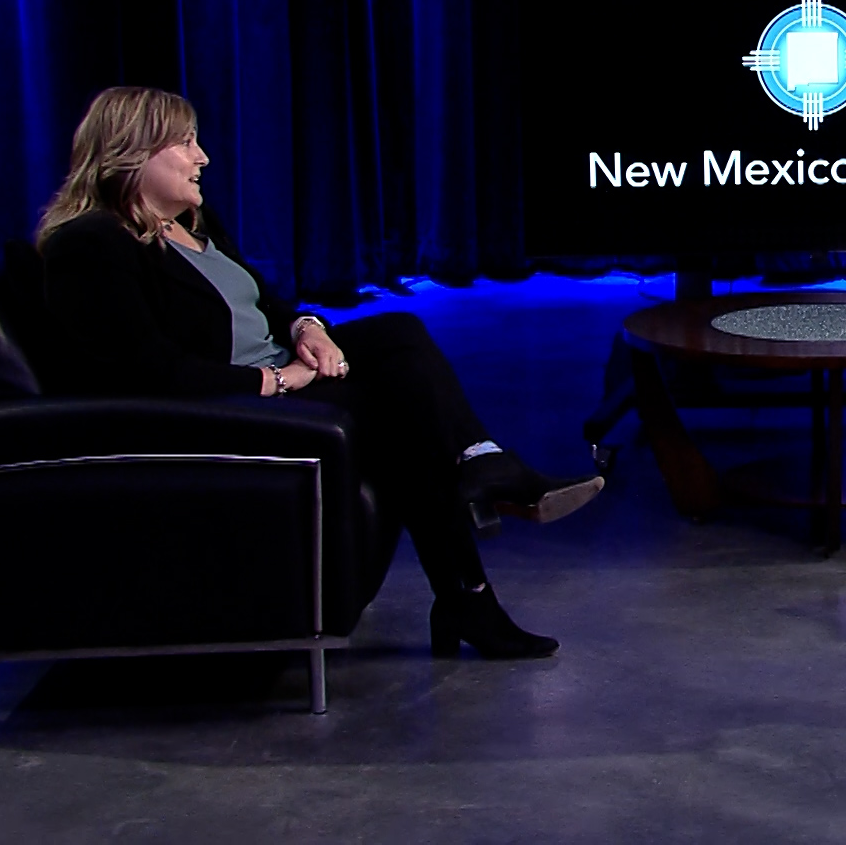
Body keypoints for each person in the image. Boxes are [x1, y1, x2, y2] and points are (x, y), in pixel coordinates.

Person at [37, 87, 602, 659]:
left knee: (400, 333)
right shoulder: (91, 245)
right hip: (229, 406)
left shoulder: (192, 220)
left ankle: (480, 479)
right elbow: (152, 370)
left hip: (276, 370)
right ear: (133, 153)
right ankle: (472, 574)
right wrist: (280, 381)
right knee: (401, 411)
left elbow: (264, 301)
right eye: (185, 143)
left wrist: (307, 328)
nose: (203, 156)